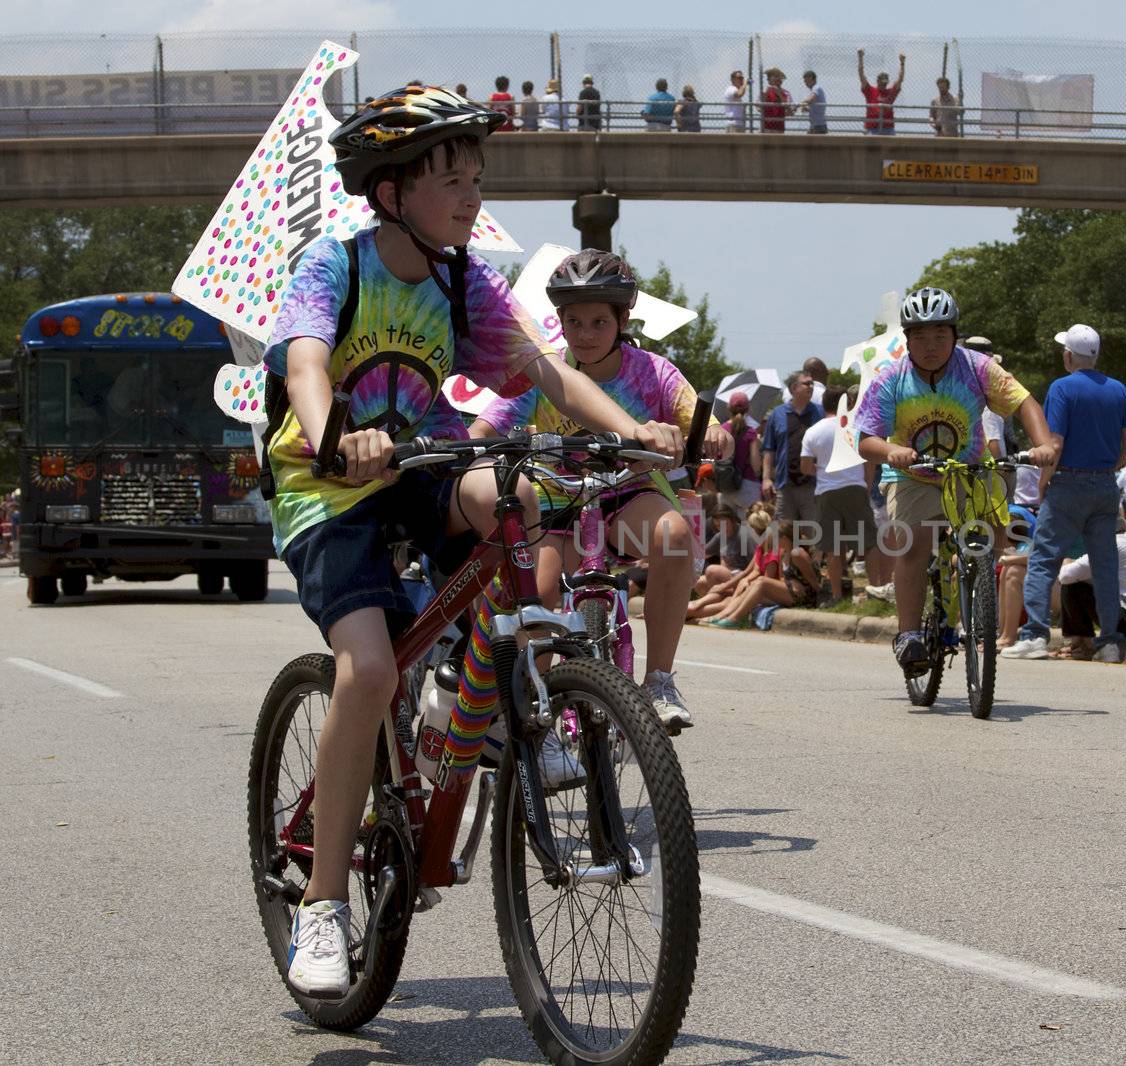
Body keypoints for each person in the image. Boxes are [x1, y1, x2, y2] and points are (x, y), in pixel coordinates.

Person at [266, 86, 681, 999]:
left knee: (520, 492)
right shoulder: (334, 268)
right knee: (368, 672)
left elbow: (545, 372)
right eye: (448, 176)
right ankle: (325, 906)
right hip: (327, 488)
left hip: (417, 471)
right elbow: (303, 363)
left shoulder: (464, 280)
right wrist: (337, 433)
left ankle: (486, 684)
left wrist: (631, 429)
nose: (470, 192)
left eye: (475, 174)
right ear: (388, 191)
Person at [470, 249, 728, 730]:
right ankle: (535, 710)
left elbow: (704, 421)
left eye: (597, 323)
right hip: (552, 501)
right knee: (540, 591)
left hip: (624, 496)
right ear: (559, 321)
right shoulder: (544, 371)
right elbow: (484, 429)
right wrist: (474, 453)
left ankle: (660, 680)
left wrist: (713, 433)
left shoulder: (655, 371)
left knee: (673, 535)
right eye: (573, 322)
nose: (585, 335)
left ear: (623, 319)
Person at [855, 288, 1058, 675]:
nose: (930, 347)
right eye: (920, 338)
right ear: (907, 340)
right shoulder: (891, 380)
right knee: (915, 541)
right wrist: (889, 451)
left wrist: (1043, 443)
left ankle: (973, 590)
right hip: (912, 474)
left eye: (940, 336)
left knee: (995, 532)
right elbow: (866, 440)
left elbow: (1024, 402)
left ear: (954, 335)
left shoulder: (977, 368)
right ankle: (910, 635)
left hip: (968, 470)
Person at [1003, 324, 1126, 662]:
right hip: (1105, 484)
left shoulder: (1062, 388)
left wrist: (1044, 479)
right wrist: (1109, 466)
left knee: (1044, 557)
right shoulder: (1118, 390)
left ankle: (1035, 635)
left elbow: (1055, 443)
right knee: (1105, 564)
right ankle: (1109, 642)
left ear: (1068, 355)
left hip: (1067, 481)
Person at [802, 384, 887, 605]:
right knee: (868, 542)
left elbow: (804, 467)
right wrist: (866, 486)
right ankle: (875, 590)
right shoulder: (856, 427)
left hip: (826, 491)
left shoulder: (813, 431)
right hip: (855, 487)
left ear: (823, 404)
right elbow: (869, 460)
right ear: (847, 403)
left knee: (832, 547)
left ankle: (837, 595)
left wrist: (821, 469)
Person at [1055, 517, 1126, 659]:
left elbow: (1065, 576)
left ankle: (1081, 644)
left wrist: (1067, 562)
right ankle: (1080, 643)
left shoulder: (1110, 545)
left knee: (1073, 586)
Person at [703, 519, 821, 627]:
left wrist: (818, 599)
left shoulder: (797, 553)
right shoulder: (783, 553)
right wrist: (789, 581)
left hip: (804, 595)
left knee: (761, 581)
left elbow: (814, 582)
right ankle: (722, 616)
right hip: (790, 591)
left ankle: (734, 619)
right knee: (751, 587)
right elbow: (781, 579)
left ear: (784, 538)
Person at [688, 502, 773, 620]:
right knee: (700, 581)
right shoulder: (720, 536)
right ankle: (704, 608)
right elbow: (701, 555)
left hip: (744, 579)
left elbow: (755, 568)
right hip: (728, 580)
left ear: (732, 519)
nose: (721, 528)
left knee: (713, 570)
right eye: (717, 526)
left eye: (724, 524)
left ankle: (700, 608)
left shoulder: (744, 535)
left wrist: (724, 586)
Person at [761, 370, 826, 523]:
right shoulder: (777, 414)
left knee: (815, 535)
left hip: (813, 485)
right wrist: (766, 479)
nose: (811, 386)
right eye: (806, 383)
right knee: (784, 534)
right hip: (785, 485)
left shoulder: (820, 412)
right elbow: (769, 449)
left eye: (812, 383)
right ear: (793, 388)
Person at [717, 390, 763, 515]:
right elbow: (756, 465)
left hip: (726, 484)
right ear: (747, 409)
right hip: (748, 484)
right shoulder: (751, 432)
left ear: (728, 408)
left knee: (726, 529)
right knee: (750, 529)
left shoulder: (721, 429)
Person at [858, 49, 906, 134]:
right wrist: (860, 57)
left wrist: (902, 63)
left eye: (885, 83)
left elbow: (900, 79)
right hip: (872, 128)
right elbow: (861, 75)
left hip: (888, 127)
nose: (884, 85)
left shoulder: (890, 92)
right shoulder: (870, 90)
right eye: (882, 83)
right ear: (877, 81)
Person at [760, 68, 792, 133]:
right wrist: (766, 93)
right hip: (766, 127)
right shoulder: (765, 91)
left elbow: (789, 110)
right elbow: (759, 107)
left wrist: (779, 94)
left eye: (778, 77)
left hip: (779, 128)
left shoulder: (786, 93)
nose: (777, 79)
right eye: (774, 76)